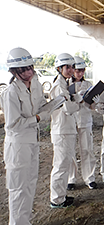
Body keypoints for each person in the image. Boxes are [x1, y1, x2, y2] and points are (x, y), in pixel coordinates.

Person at [0, 47, 50, 224]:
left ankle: (25, 221)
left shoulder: (35, 83)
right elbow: (13, 125)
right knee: (18, 190)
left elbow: (41, 103)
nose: (29, 72)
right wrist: (37, 118)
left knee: (30, 185)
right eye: (23, 70)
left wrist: (49, 107)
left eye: (30, 67)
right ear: (14, 71)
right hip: (18, 146)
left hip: (32, 142)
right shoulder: (10, 92)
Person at [49, 53, 83, 208]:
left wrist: (74, 97)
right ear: (59, 68)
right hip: (62, 130)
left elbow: (69, 102)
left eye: (72, 67)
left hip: (66, 129)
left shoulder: (64, 83)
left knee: (64, 164)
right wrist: (79, 101)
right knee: (61, 166)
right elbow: (68, 108)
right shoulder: (59, 86)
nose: (70, 70)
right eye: (67, 67)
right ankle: (56, 200)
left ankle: (60, 196)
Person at [67, 56, 97, 190]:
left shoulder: (88, 84)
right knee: (71, 151)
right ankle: (71, 179)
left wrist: (94, 101)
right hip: (71, 121)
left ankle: (89, 178)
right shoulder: (66, 85)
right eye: (78, 70)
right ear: (72, 70)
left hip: (85, 120)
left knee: (87, 149)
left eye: (82, 71)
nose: (80, 73)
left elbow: (92, 106)